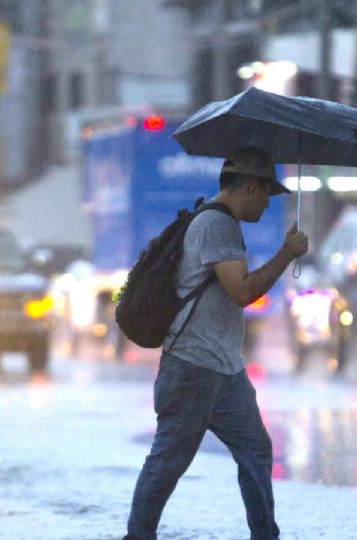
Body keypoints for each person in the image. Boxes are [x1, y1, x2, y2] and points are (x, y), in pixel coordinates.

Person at [124, 146, 308, 540]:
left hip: (224, 370)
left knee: (256, 450)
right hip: (193, 367)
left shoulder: (218, 222)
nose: (267, 205)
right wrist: (286, 253)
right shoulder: (217, 225)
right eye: (267, 195)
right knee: (169, 460)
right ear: (252, 188)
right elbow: (242, 291)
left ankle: (265, 535)